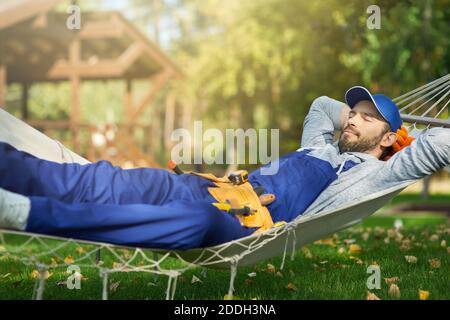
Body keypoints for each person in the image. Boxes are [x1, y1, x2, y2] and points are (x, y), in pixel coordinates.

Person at [0, 86, 449, 249]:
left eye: (367, 118)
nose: (351, 118)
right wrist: (373, 118)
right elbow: (323, 105)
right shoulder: (318, 145)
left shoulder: (378, 175)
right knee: (100, 178)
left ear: (391, 138)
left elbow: (439, 144)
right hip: (207, 186)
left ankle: (23, 213)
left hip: (244, 223)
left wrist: (401, 142)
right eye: (354, 112)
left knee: (193, 222)